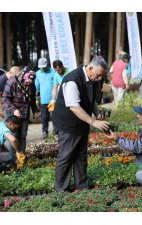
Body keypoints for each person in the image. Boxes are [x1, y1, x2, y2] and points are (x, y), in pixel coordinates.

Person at [53, 56, 110, 192]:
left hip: (82, 124)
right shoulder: (72, 80)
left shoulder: (93, 79)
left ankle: (82, 187)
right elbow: (74, 107)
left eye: (101, 75)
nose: (99, 78)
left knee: (81, 156)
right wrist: (92, 121)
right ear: (90, 68)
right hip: (68, 124)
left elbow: (92, 101)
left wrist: (97, 113)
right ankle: (61, 190)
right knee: (66, 156)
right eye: (98, 74)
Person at [2, 67, 39, 153]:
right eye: (26, 83)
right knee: (13, 136)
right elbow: (4, 99)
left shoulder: (31, 84)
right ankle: (11, 159)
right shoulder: (12, 82)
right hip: (12, 113)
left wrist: (35, 110)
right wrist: (14, 110)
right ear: (23, 76)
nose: (28, 85)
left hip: (25, 113)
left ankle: (22, 157)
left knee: (23, 136)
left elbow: (32, 98)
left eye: (30, 84)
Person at [35, 57, 55, 139]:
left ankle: (56, 131)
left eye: (44, 66)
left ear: (47, 65)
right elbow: (37, 85)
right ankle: (45, 131)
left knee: (55, 115)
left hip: (53, 98)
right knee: (44, 116)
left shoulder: (53, 72)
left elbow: (56, 84)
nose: (42, 68)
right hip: (43, 99)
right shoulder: (38, 73)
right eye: (41, 67)